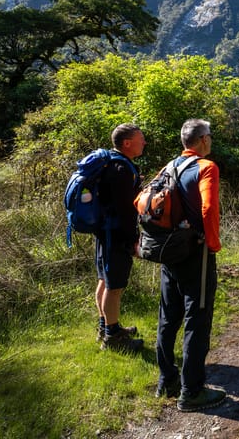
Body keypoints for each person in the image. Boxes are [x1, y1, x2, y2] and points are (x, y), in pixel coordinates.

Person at [155, 118, 227, 412]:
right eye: (210, 136)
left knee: (167, 318)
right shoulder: (206, 168)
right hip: (195, 254)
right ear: (202, 140)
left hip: (168, 252)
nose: (211, 141)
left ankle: (167, 381)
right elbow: (209, 208)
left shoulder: (167, 167)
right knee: (196, 320)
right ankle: (191, 392)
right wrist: (213, 244)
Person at [96, 123, 147, 353]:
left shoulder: (113, 163)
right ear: (127, 143)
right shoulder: (121, 169)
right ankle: (113, 337)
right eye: (140, 139)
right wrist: (133, 240)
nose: (144, 142)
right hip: (116, 235)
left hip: (105, 233)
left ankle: (106, 327)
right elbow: (126, 210)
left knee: (105, 281)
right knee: (114, 286)